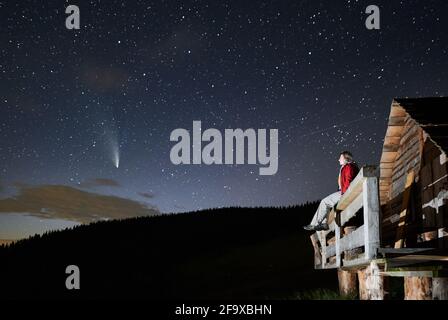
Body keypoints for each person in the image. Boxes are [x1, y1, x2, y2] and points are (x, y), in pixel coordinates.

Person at [303, 151, 359, 231]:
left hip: (345, 192)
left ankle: (314, 224)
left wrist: (346, 194)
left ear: (346, 159)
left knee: (324, 202)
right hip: (343, 191)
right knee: (327, 203)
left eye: (340, 158)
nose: (338, 160)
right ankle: (324, 223)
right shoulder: (346, 167)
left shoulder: (349, 167)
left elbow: (348, 181)